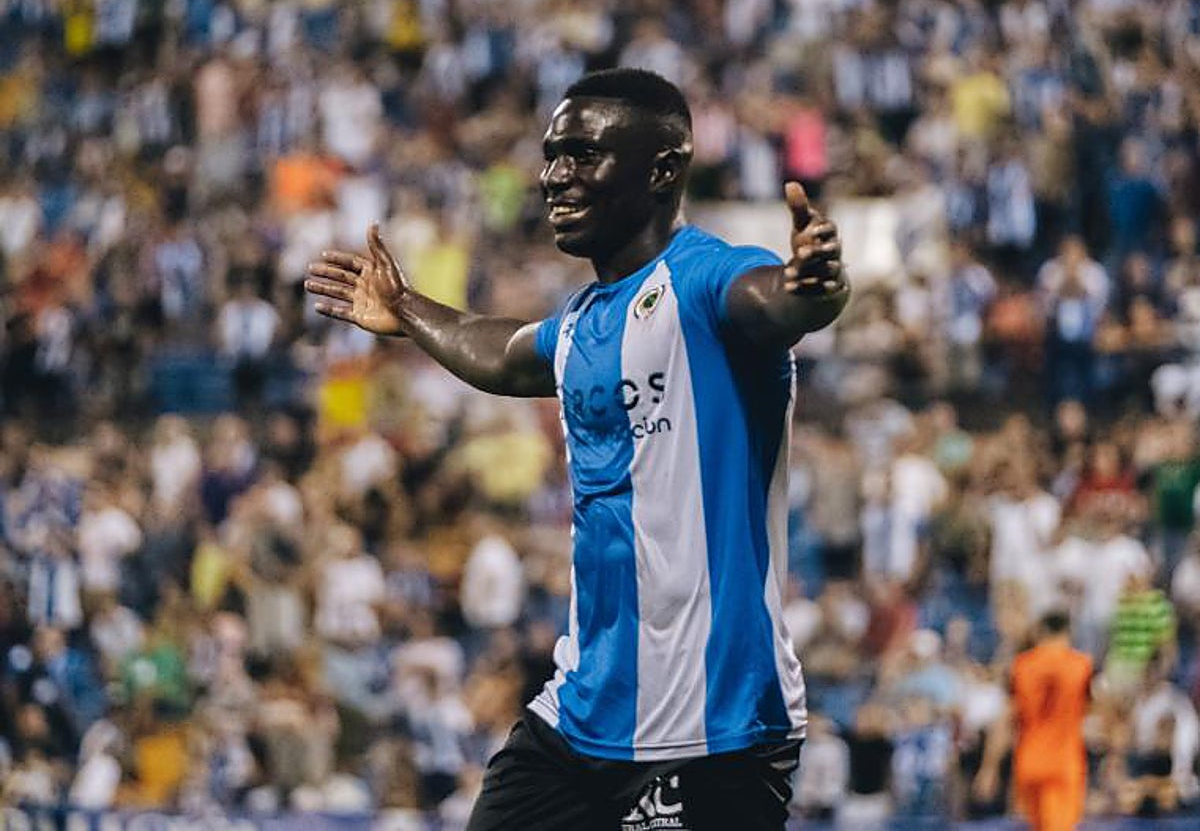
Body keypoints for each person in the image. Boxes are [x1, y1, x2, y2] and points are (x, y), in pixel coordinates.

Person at [305, 68, 849, 830]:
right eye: (550, 155)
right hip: (581, 717)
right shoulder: (584, 321)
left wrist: (816, 286)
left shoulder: (703, 284)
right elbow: (501, 354)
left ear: (662, 170)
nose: (553, 177)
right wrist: (405, 308)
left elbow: (778, 299)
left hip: (711, 722)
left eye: (581, 156)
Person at [974, 611, 1093, 831]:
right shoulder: (1082, 665)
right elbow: (1098, 709)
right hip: (1064, 764)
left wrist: (989, 767)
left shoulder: (1021, 666)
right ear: (1067, 632)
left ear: (1041, 631)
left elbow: (1006, 720)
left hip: (1029, 763)